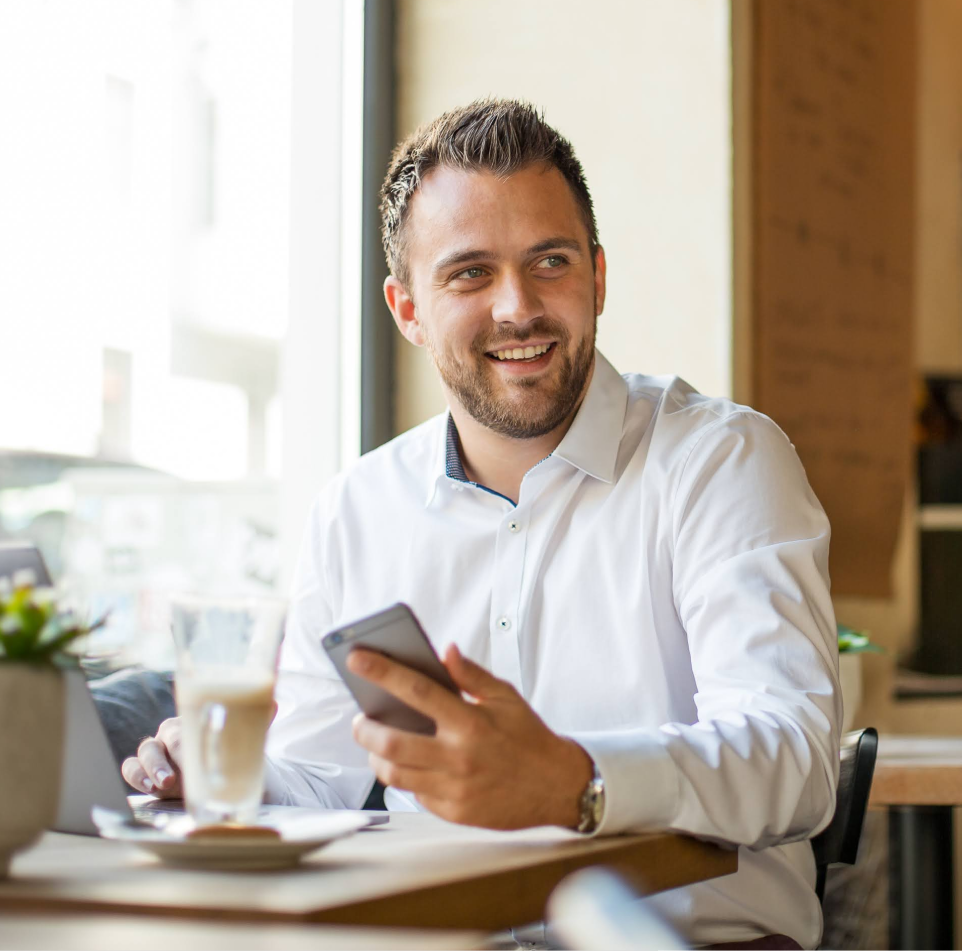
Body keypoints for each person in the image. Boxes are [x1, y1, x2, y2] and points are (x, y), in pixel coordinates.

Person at [122, 98, 841, 950]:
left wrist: (576, 782)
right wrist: (218, 783)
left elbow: (793, 759)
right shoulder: (356, 510)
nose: (517, 307)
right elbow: (329, 779)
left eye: (550, 261)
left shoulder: (720, 461)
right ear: (407, 310)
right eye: (469, 273)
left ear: (598, 278)